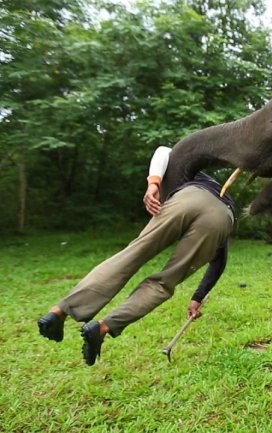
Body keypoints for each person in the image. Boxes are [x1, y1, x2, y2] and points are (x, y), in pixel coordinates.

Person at [37, 146, 235, 366]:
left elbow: (163, 150)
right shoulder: (206, 182)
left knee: (130, 256)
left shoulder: (181, 172)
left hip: (189, 197)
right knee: (164, 283)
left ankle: (59, 312)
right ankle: (102, 328)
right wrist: (197, 297)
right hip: (222, 217)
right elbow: (219, 261)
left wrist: (153, 184)